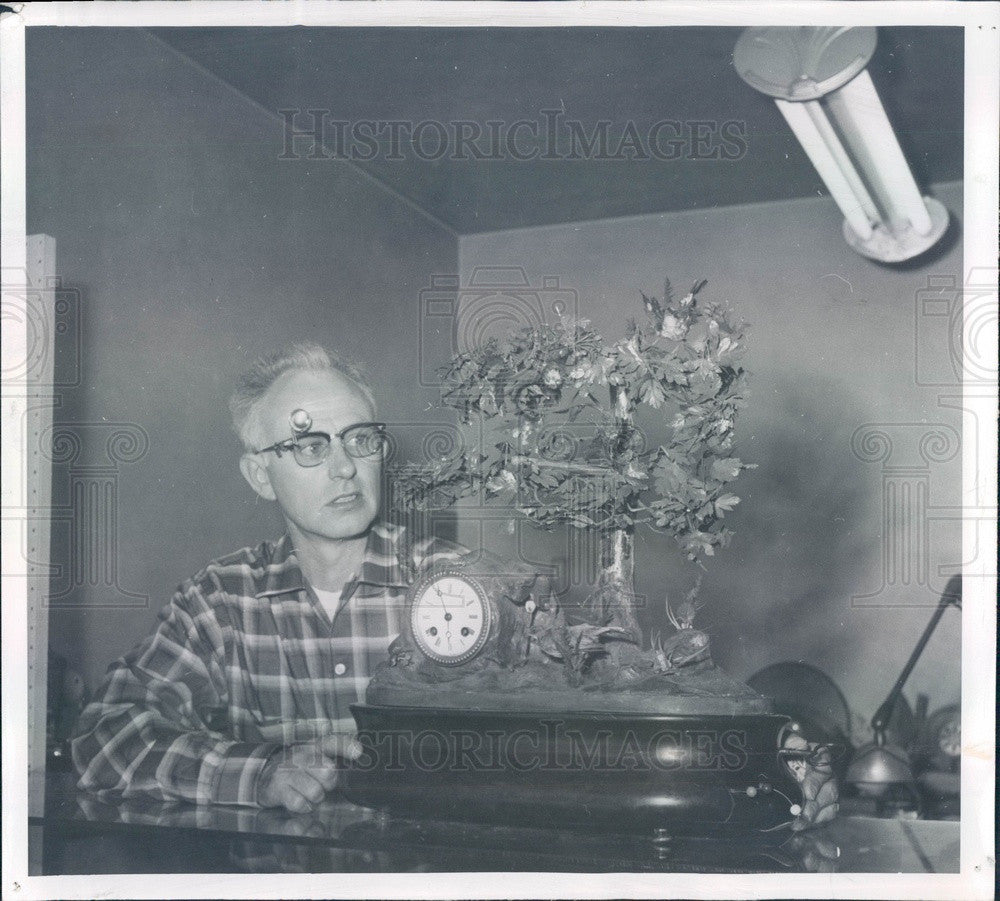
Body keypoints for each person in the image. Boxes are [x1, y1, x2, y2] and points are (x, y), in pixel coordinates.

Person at [72, 343, 465, 813]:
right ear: (260, 475)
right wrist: (255, 774)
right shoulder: (220, 600)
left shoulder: (454, 584)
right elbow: (105, 734)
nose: (345, 468)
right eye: (310, 446)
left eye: (360, 440)